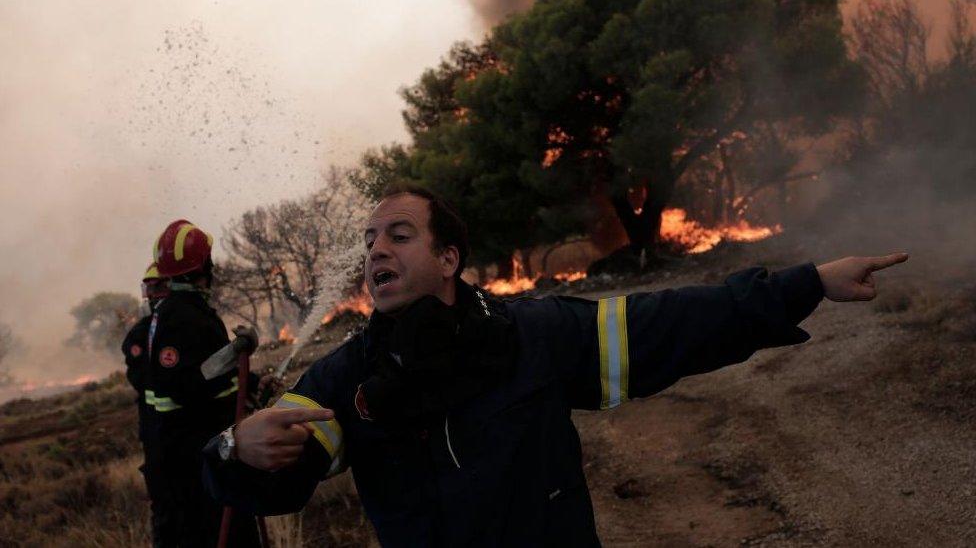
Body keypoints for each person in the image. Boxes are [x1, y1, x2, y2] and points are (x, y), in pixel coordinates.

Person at [202, 187, 909, 547]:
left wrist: (807, 281)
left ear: (448, 258)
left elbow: (677, 324)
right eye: (368, 241)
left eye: (399, 234)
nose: (376, 250)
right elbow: (276, 478)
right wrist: (238, 447)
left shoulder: (534, 334)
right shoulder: (344, 378)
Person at [144, 219, 264, 548]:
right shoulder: (183, 317)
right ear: (203, 265)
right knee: (226, 534)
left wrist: (250, 382)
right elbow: (184, 385)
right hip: (196, 455)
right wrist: (235, 352)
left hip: (190, 450)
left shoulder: (177, 310)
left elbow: (204, 372)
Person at [121, 262, 170, 527]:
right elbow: (139, 378)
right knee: (163, 507)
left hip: (179, 434)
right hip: (154, 431)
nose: (152, 294)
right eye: (148, 288)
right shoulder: (140, 334)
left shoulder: (180, 325)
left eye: (158, 287)